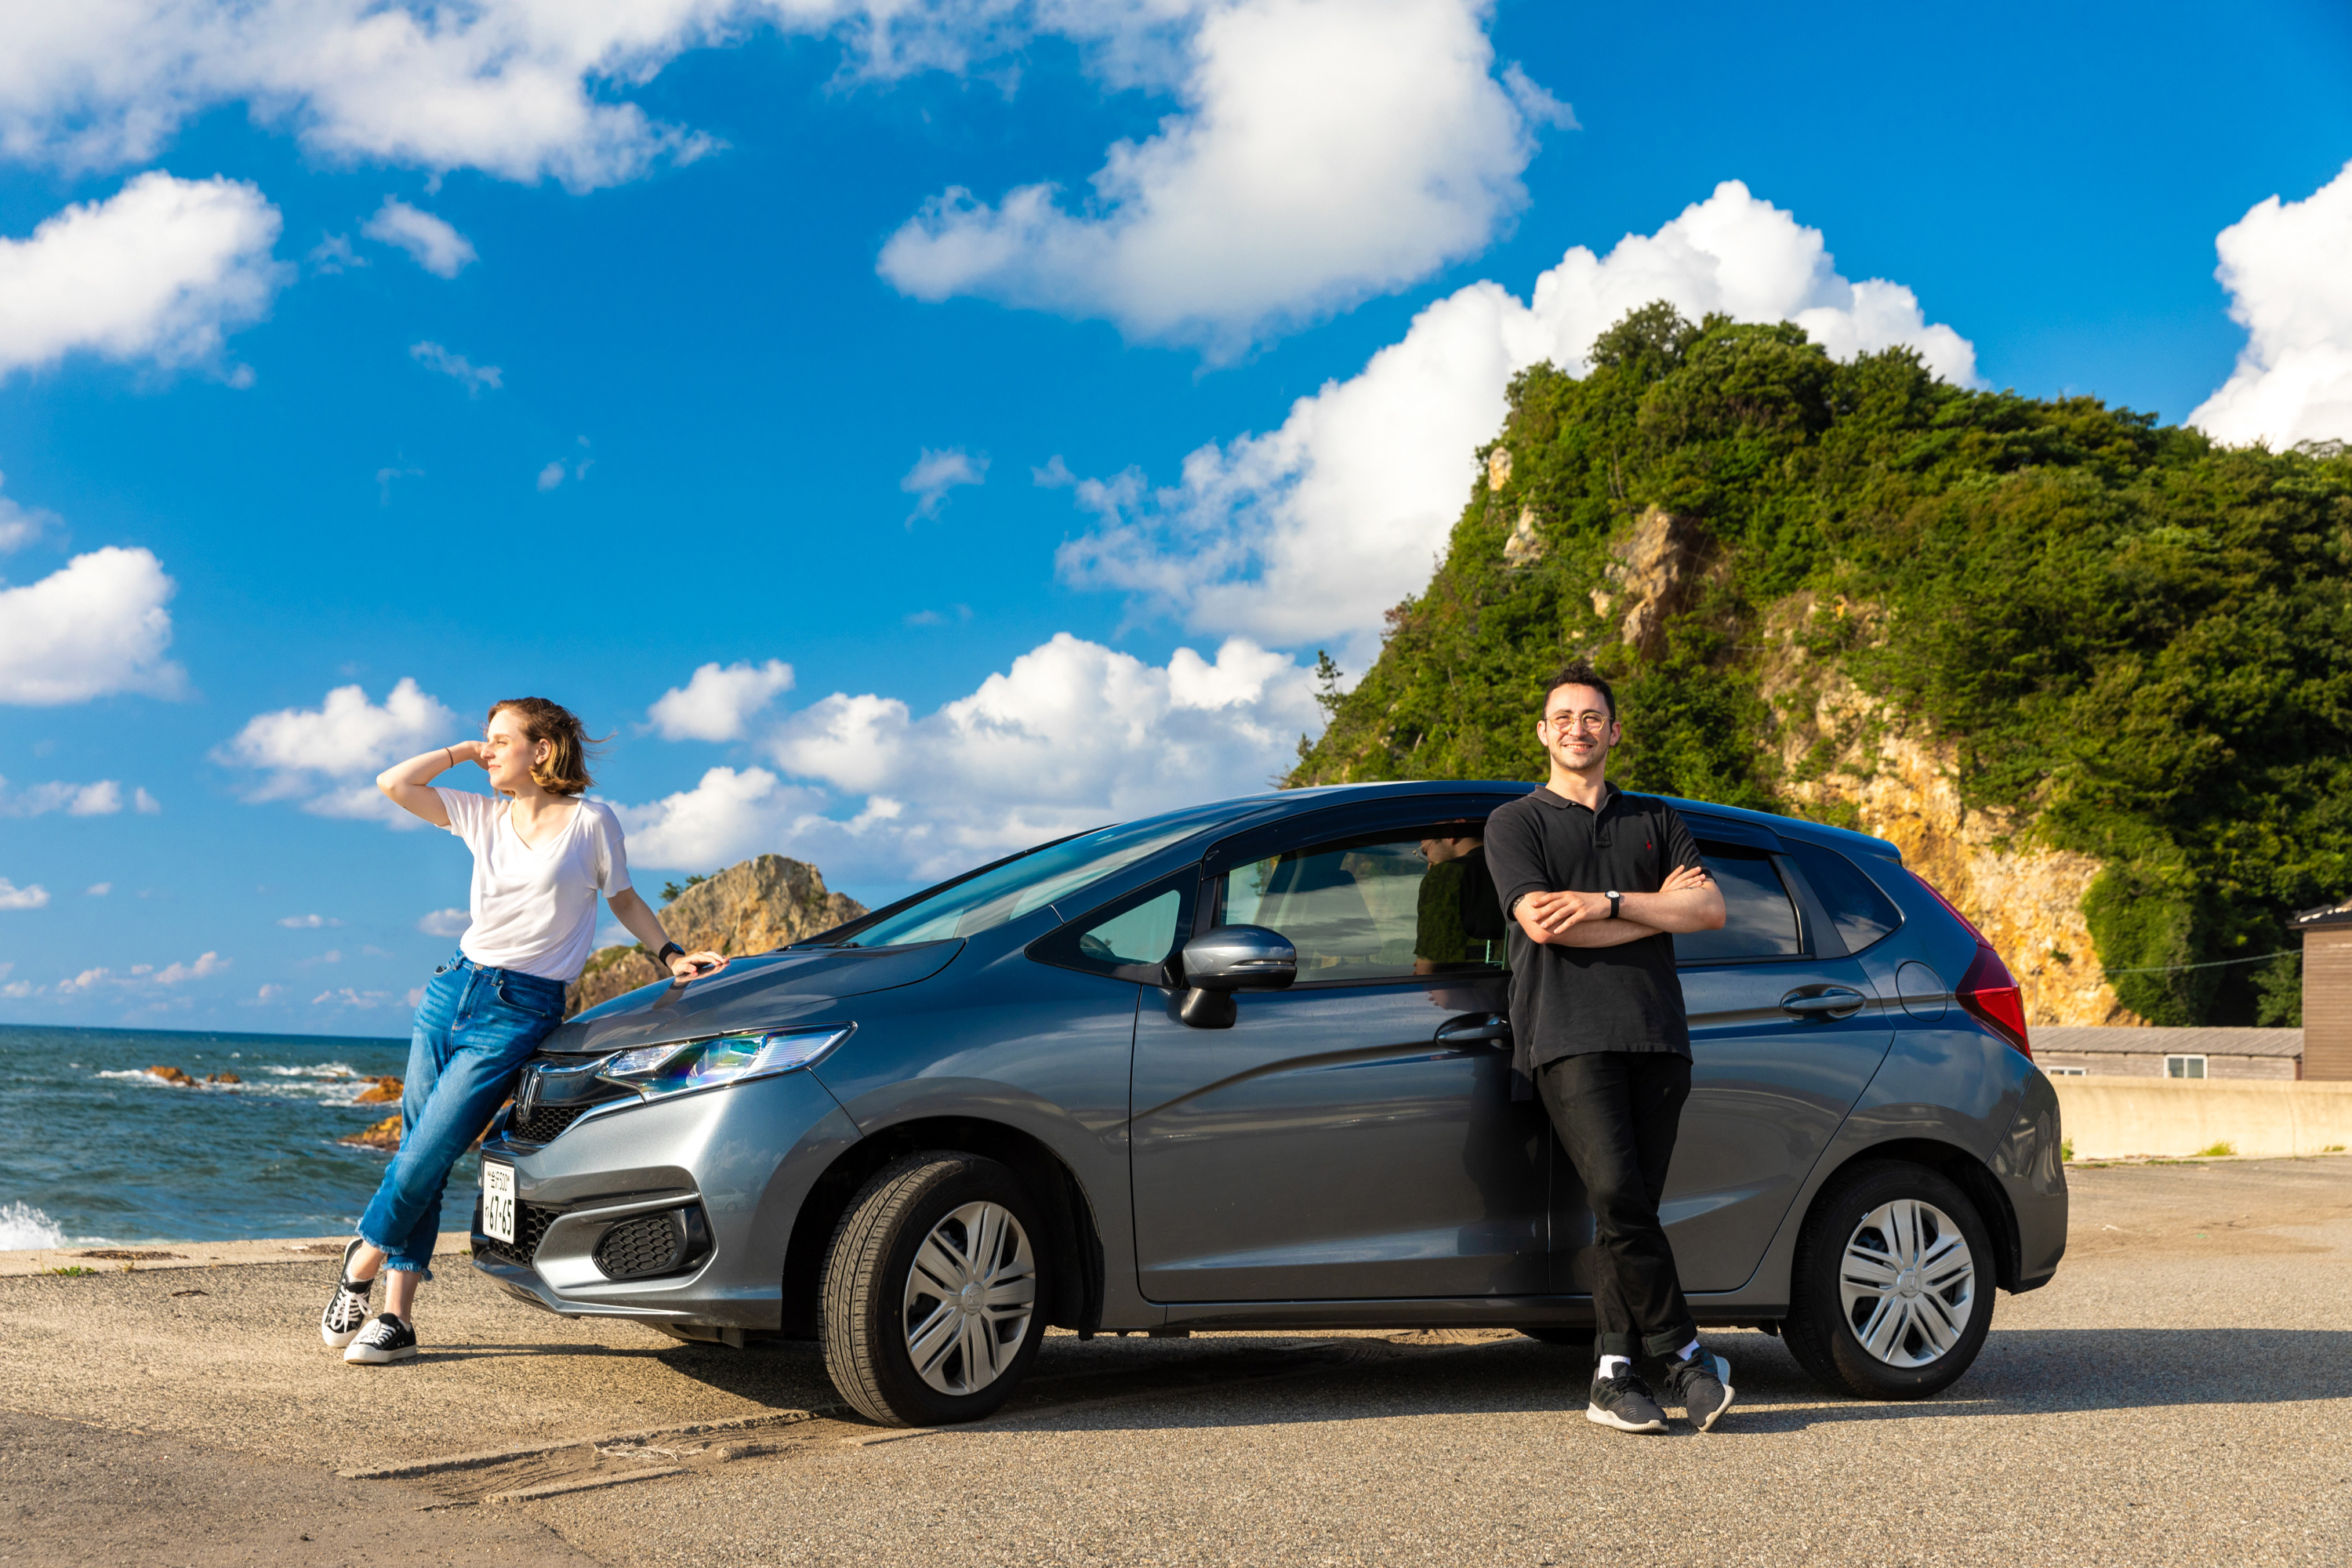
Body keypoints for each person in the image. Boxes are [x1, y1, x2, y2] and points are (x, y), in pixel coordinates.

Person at [319, 698, 728, 1365]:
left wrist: (671, 955)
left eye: (500, 740)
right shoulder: (483, 814)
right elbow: (393, 783)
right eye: (485, 741)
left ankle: (361, 1257)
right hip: (452, 989)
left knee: (426, 1156)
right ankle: (396, 1319)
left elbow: (622, 896)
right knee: (417, 1150)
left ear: (541, 749)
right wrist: (461, 748)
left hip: (520, 1008)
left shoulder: (592, 822)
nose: (487, 752)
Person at [1483, 662, 1733, 1434]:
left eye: (1592, 717)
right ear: (1544, 731)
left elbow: (1712, 908)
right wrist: (1659, 912)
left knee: (1628, 1213)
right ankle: (1687, 1353)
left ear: (1614, 730)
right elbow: (1541, 923)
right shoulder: (1516, 823)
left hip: (1659, 1034)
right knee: (1621, 1197)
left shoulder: (1654, 820)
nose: (1577, 728)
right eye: (1563, 717)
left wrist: (1607, 900)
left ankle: (1613, 1372)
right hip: (1569, 1035)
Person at [1414, 830, 1504, 973]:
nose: (1429, 864)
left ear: (1451, 832)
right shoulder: (1520, 865)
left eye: (1425, 850)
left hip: (1468, 991)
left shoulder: (1446, 875)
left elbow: (1428, 972)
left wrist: (1422, 971)